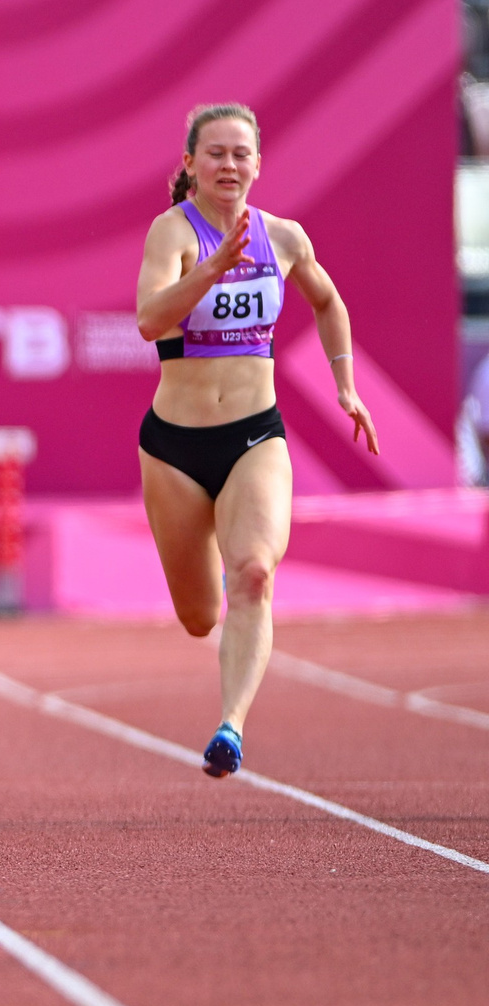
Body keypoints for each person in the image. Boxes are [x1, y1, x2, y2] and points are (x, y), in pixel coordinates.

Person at [134, 103, 377, 777]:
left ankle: (231, 728)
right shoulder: (171, 233)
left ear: (259, 165)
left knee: (256, 573)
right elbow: (149, 320)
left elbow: (328, 303)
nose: (229, 165)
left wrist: (346, 384)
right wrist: (211, 270)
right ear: (190, 164)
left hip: (254, 437)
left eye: (242, 154)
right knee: (196, 616)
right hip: (175, 449)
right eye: (215, 153)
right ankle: (208, 579)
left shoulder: (285, 237)